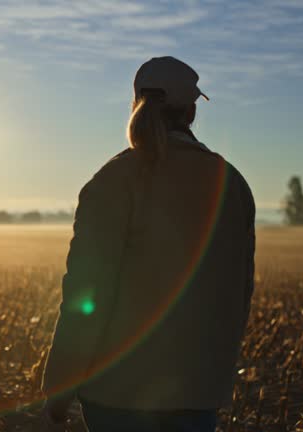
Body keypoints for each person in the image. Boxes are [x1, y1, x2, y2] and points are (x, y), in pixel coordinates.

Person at [40, 56, 256, 431]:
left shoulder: (113, 181)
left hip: (117, 395)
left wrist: (60, 388)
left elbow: (86, 297)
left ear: (136, 102)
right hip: (197, 393)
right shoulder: (231, 183)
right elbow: (239, 294)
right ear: (191, 111)